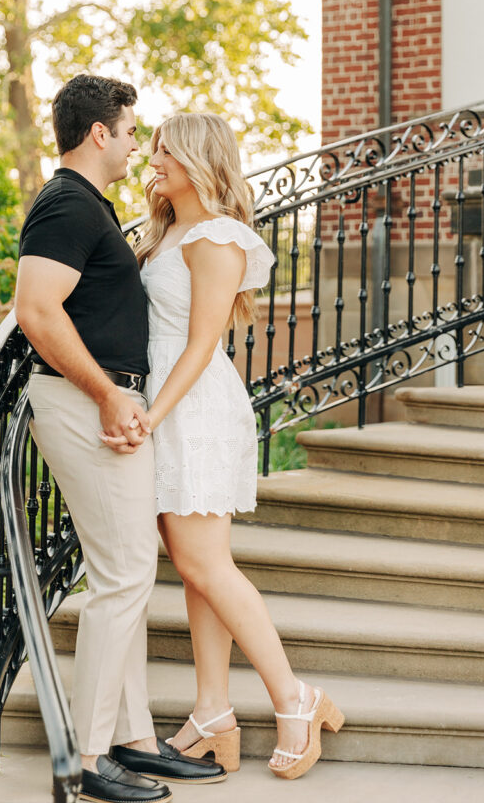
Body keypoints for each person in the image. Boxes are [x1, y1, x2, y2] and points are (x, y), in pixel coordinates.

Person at [101, 112, 345, 780]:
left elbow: (202, 343)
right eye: (149, 149)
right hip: (166, 403)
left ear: (196, 158)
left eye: (163, 151)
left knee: (205, 563)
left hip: (193, 407)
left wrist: (152, 416)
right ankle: (212, 713)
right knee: (193, 562)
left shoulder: (216, 237)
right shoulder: (167, 231)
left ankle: (296, 697)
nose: (152, 160)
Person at [14, 76, 226, 803]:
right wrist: (107, 394)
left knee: (129, 574)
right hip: (85, 403)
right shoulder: (66, 204)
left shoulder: (87, 205)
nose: (138, 143)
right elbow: (36, 311)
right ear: (99, 133)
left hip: (104, 399)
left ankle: (134, 739)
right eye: (132, 130)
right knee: (122, 576)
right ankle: (87, 752)